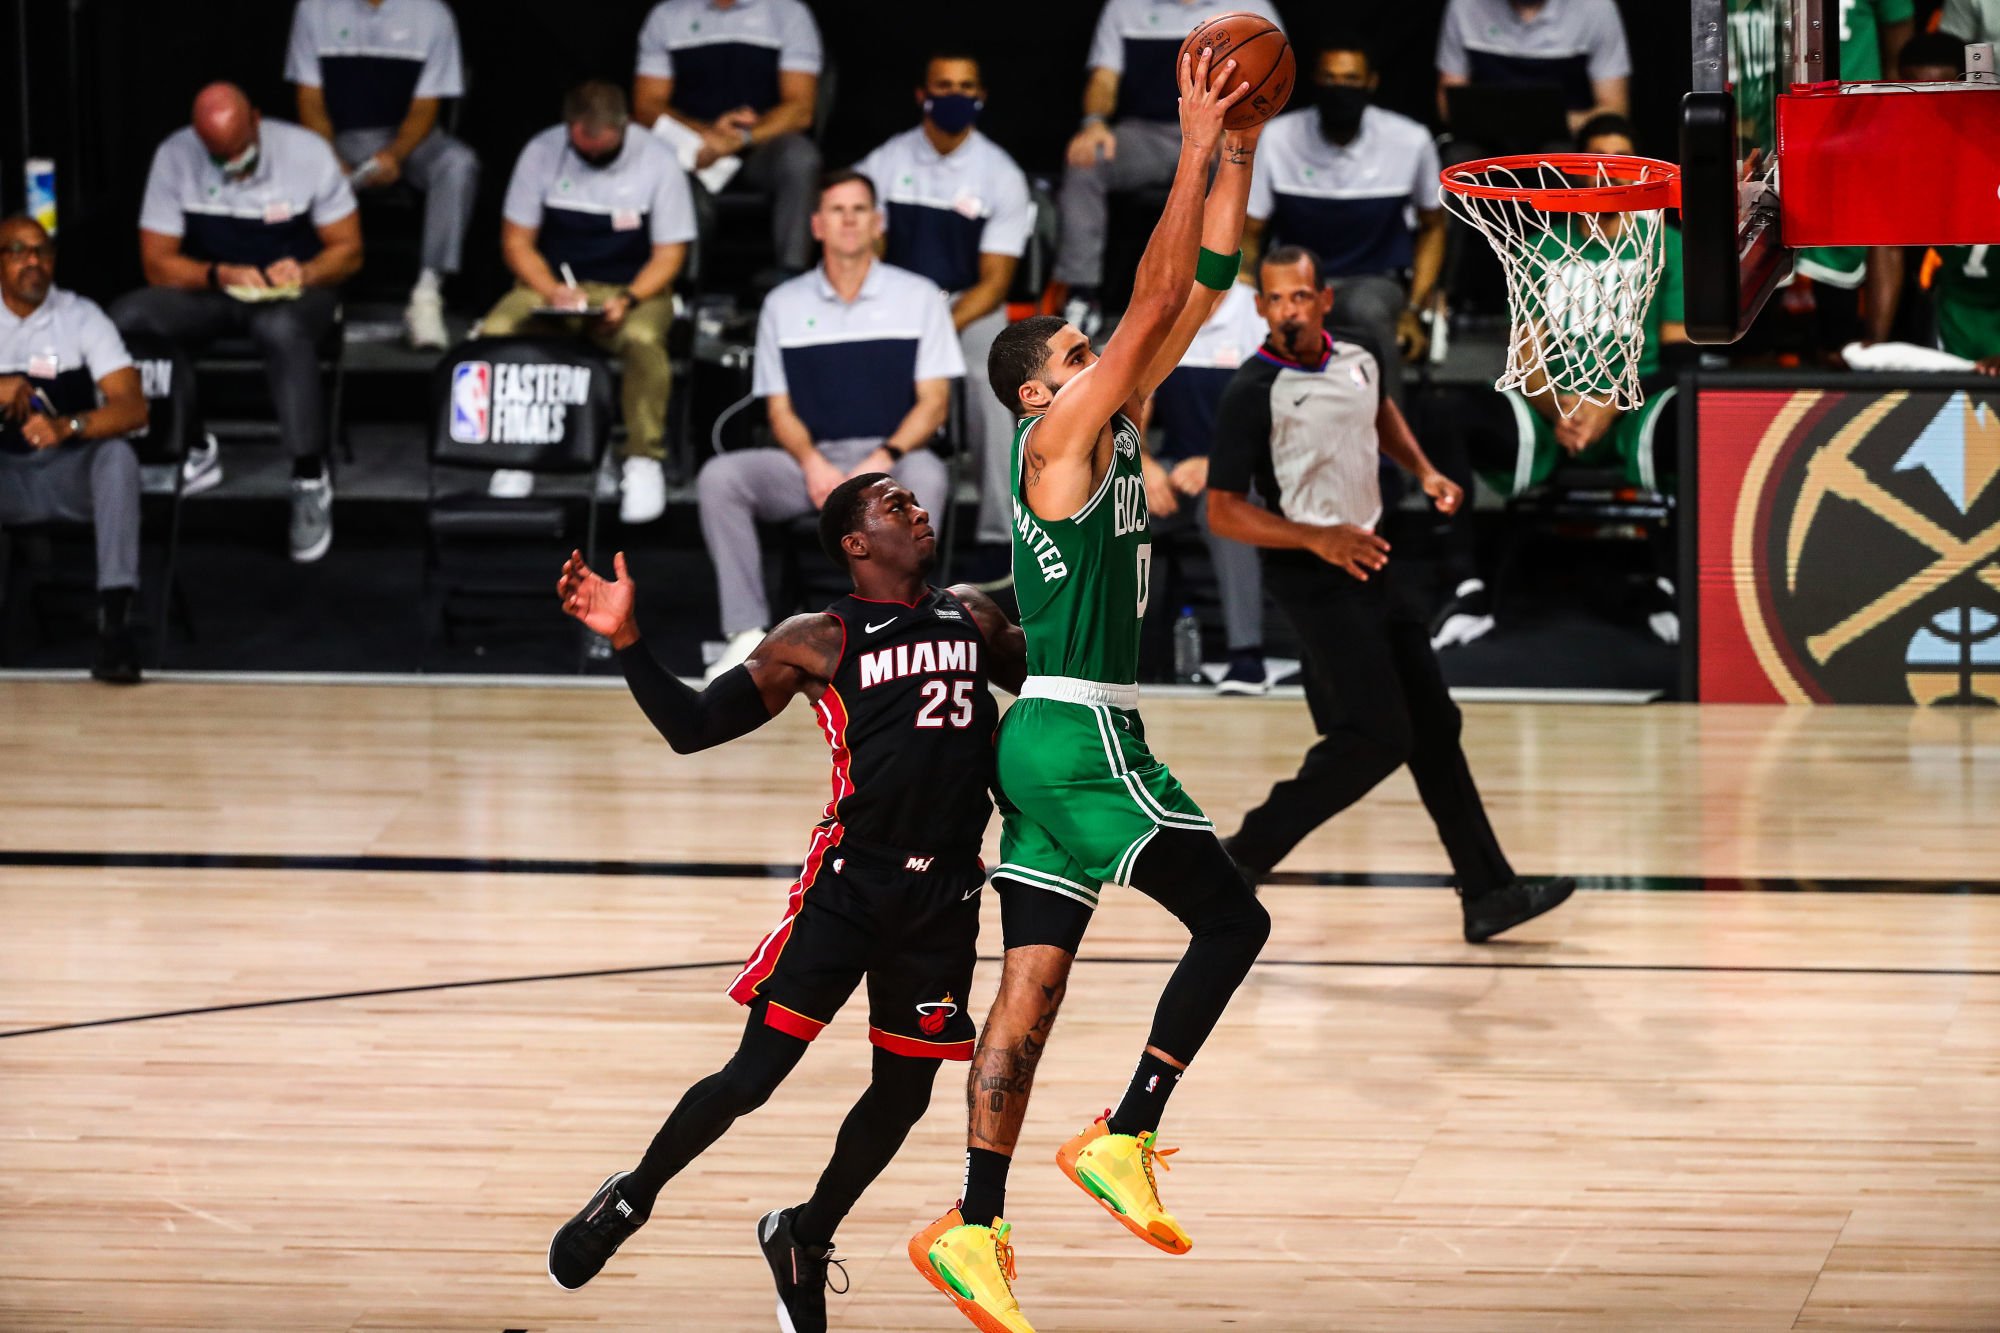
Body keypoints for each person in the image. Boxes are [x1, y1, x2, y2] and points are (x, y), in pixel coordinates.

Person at [908, 52, 1271, 1333]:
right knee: (1232, 923)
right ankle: (1125, 1131)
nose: (1098, 354)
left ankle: (973, 1223)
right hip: (1078, 730)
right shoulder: (1054, 438)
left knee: (1032, 988)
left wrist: (1238, 149)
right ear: (1034, 392)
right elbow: (1156, 291)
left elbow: (1200, 286)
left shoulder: (1107, 421)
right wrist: (1189, 138)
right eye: (1076, 352)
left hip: (1051, 737)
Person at [545, 473, 1026, 1333]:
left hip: (946, 894)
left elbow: (1061, 683)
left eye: (917, 502)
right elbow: (693, 727)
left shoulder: (973, 616)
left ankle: (804, 1234)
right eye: (896, 506)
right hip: (852, 884)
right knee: (753, 1076)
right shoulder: (818, 637)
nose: (919, 511)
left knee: (904, 1095)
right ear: (855, 542)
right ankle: (632, 1194)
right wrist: (627, 640)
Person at [1205, 244, 1576, 943]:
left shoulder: (1361, 352)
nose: (1288, 311)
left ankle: (1490, 892)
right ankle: (1242, 854)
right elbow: (1223, 511)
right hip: (1311, 574)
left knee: (1435, 726)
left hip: (1373, 555)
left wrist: (1425, 470)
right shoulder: (1252, 390)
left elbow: (1378, 415)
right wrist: (1316, 538)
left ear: (1324, 301)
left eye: (1299, 297)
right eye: (1275, 299)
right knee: (1376, 736)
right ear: (1260, 308)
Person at [1429, 114, 1688, 650]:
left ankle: (1676, 587)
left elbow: (1680, 354)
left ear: (1641, 173)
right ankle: (1466, 588)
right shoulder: (1540, 244)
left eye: (1621, 163)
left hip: (1632, 410)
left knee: (1698, 415)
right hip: (1552, 413)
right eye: (1597, 162)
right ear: (1574, 171)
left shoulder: (1667, 244)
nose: (1608, 174)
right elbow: (1526, 356)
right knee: (1445, 410)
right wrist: (1561, 409)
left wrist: (1608, 405)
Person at [696, 170, 963, 684]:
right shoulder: (783, 304)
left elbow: (934, 404)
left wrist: (881, 461)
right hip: (812, 464)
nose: (849, 220)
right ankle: (746, 633)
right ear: (817, 225)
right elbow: (779, 411)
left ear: (877, 222)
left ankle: (908, 625)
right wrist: (812, 463)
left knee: (928, 474)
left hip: (891, 462)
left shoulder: (918, 296)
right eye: (837, 210)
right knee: (720, 478)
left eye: (859, 209)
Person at [112, 82, 360, 565]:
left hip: (296, 292)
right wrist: (216, 274)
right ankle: (194, 443)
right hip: (215, 287)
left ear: (256, 121)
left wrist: (306, 271)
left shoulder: (307, 153)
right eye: (218, 154)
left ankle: (309, 476)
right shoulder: (174, 156)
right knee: (130, 317)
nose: (231, 163)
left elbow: (349, 251)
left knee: (279, 329)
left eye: (239, 150)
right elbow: (157, 263)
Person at [478, 82, 694, 522]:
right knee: (497, 331)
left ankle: (642, 459)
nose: (593, 153)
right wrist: (551, 288)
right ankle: (512, 454)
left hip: (634, 288)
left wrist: (628, 298)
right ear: (569, 127)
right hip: (553, 286)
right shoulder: (540, 153)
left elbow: (671, 254)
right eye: (584, 145)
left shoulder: (658, 160)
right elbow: (516, 241)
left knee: (642, 338)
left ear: (624, 126)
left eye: (603, 146)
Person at [854, 51, 1034, 563]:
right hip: (894, 301)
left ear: (981, 96)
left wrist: (936, 327)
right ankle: (861, 510)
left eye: (966, 87)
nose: (956, 96)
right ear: (922, 94)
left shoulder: (1000, 173)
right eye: (944, 85)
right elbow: (863, 253)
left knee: (992, 378)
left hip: (966, 306)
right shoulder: (885, 163)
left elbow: (995, 283)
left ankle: (1002, 535)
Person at [1054, 0, 1285, 333]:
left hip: (1219, 130)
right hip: (1146, 134)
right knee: (1086, 159)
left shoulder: (1250, 6)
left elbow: (1275, 81)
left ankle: (1230, 295)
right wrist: (1094, 122)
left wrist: (1236, 125)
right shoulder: (1124, 8)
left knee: (1249, 160)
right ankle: (1082, 294)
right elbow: (1104, 78)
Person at [1244, 38, 1445, 409]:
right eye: (1330, 78)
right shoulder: (1278, 137)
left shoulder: (1409, 141)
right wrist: (1242, 289)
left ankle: (1389, 439)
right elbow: (1250, 232)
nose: (1339, 89)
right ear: (1314, 81)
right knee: (1253, 318)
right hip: (1295, 280)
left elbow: (1434, 226)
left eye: (1351, 79)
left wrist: (1415, 310)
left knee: (1365, 309)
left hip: (1373, 279)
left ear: (1371, 83)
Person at [0, 216, 149, 684]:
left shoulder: (81, 316)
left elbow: (133, 407)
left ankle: (115, 625)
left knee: (117, 458)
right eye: (19, 251)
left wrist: (70, 425)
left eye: (42, 251)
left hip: (65, 472)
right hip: (5, 475)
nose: (33, 262)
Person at [286, 0, 478, 349]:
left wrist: (394, 155)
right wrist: (329, 158)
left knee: (457, 164)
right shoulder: (314, 9)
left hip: (409, 138)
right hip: (340, 137)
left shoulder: (432, 15)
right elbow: (310, 100)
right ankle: (308, 292)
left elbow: (425, 106)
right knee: (292, 160)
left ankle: (427, 295)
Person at [1141, 279, 1270, 692]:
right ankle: (1093, 652)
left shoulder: (1256, 314)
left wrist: (1219, 464)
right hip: (1177, 468)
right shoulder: (1162, 307)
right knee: (1114, 504)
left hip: (1251, 468)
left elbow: (1280, 418)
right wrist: (1142, 462)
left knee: (1222, 509)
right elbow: (1131, 400)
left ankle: (1247, 655)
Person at [633, 0, 824, 276]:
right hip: (694, 150)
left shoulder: (788, 12)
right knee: (662, 165)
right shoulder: (667, 15)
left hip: (762, 147)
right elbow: (647, 106)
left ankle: (790, 277)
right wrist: (707, 135)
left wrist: (741, 138)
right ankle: (681, 287)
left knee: (800, 158)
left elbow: (800, 109)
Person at [1786, 0, 1912, 351]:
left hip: (1860, 117)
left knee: (1874, 227)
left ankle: (1864, 350)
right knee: (1768, 234)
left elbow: (1899, 47)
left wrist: (1893, 116)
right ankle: (1755, 358)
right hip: (1783, 114)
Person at [1435, 0, 1631, 134]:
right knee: (1460, 161)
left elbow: (1615, 109)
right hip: (1484, 140)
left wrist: (1546, 122)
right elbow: (1447, 105)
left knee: (1557, 161)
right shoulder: (1465, 6)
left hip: (1564, 139)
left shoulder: (1596, 8)